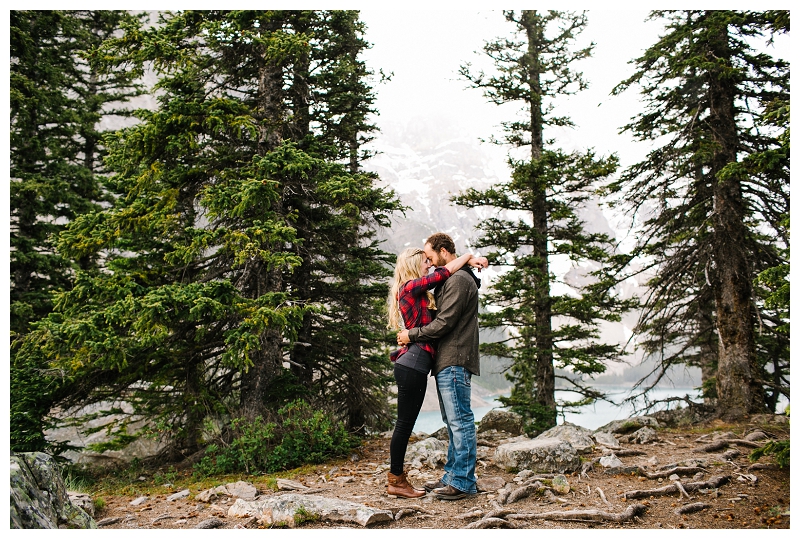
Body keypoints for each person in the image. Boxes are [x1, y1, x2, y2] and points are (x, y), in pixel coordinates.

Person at [385, 246, 487, 498]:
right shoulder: (410, 287)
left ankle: (449, 477)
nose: (428, 265)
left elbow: (446, 280)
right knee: (404, 425)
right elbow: (442, 273)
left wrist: (468, 262)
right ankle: (396, 480)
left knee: (417, 423)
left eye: (430, 260)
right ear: (412, 265)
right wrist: (469, 257)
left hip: (417, 364)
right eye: (424, 262)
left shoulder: (418, 291)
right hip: (413, 365)